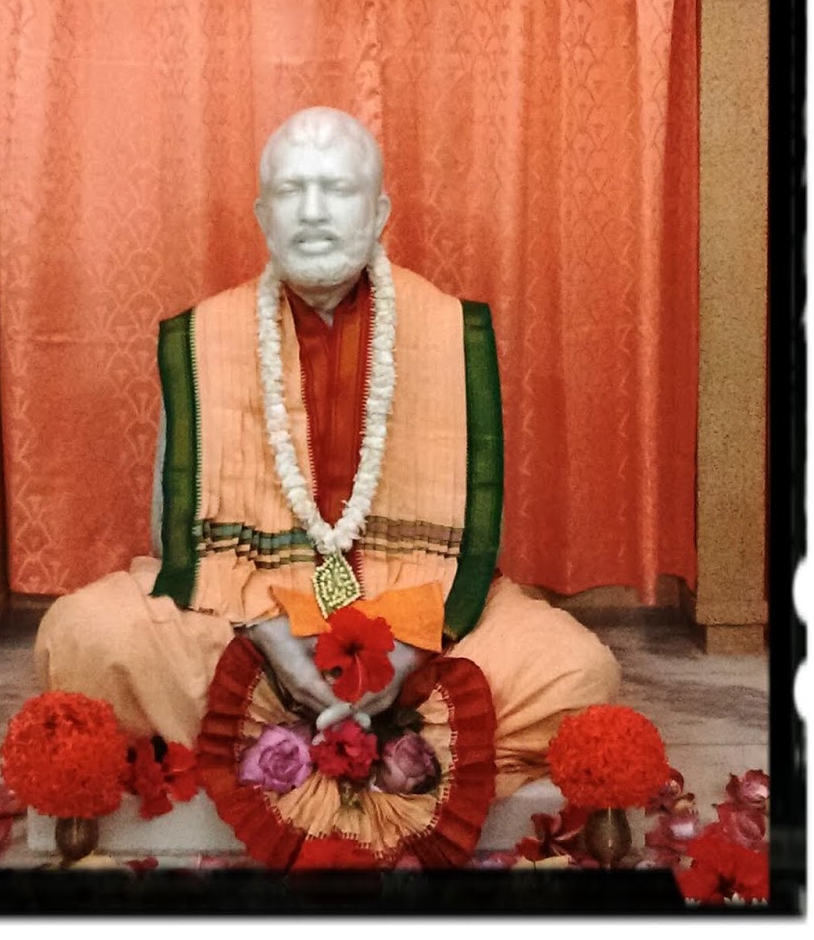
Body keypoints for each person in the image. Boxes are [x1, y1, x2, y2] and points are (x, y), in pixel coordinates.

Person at [36, 106, 620, 799]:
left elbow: (470, 542)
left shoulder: (446, 332)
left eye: (338, 190)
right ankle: (391, 752)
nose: (313, 212)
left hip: (418, 622)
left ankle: (298, 747)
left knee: (577, 671)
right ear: (264, 215)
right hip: (247, 625)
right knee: (85, 637)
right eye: (291, 191)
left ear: (379, 213)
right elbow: (179, 540)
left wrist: (406, 654)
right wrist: (271, 636)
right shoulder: (206, 337)